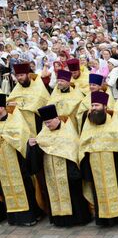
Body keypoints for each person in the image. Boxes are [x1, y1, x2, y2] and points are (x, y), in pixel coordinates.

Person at [79, 91, 118, 226]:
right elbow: (83, 146)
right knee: (99, 193)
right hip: (96, 168)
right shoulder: (88, 123)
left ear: (105, 107)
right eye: (92, 105)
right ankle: (105, 220)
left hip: (116, 166)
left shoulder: (115, 122)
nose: (94, 108)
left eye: (97, 105)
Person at [27, 104, 91, 227]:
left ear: (57, 119)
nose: (48, 125)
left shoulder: (68, 131)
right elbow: (39, 151)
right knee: (54, 194)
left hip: (68, 172)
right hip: (51, 172)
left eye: (50, 122)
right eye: (45, 123)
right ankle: (59, 220)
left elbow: (72, 149)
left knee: (73, 195)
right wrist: (32, 146)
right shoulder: (43, 133)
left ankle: (78, 219)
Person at [0, 94, 43, 226]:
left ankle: (30, 216)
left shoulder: (14, 119)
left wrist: (4, 136)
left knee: (25, 186)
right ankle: (14, 218)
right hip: (2, 163)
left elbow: (21, 135)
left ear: (2, 108)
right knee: (6, 188)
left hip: (17, 160)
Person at [7, 62, 50, 136]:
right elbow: (10, 101)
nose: (19, 78)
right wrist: (8, 104)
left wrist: (18, 105)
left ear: (28, 75)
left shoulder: (38, 86)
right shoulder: (18, 87)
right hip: (20, 124)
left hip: (36, 122)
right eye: (17, 75)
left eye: (21, 75)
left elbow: (37, 103)